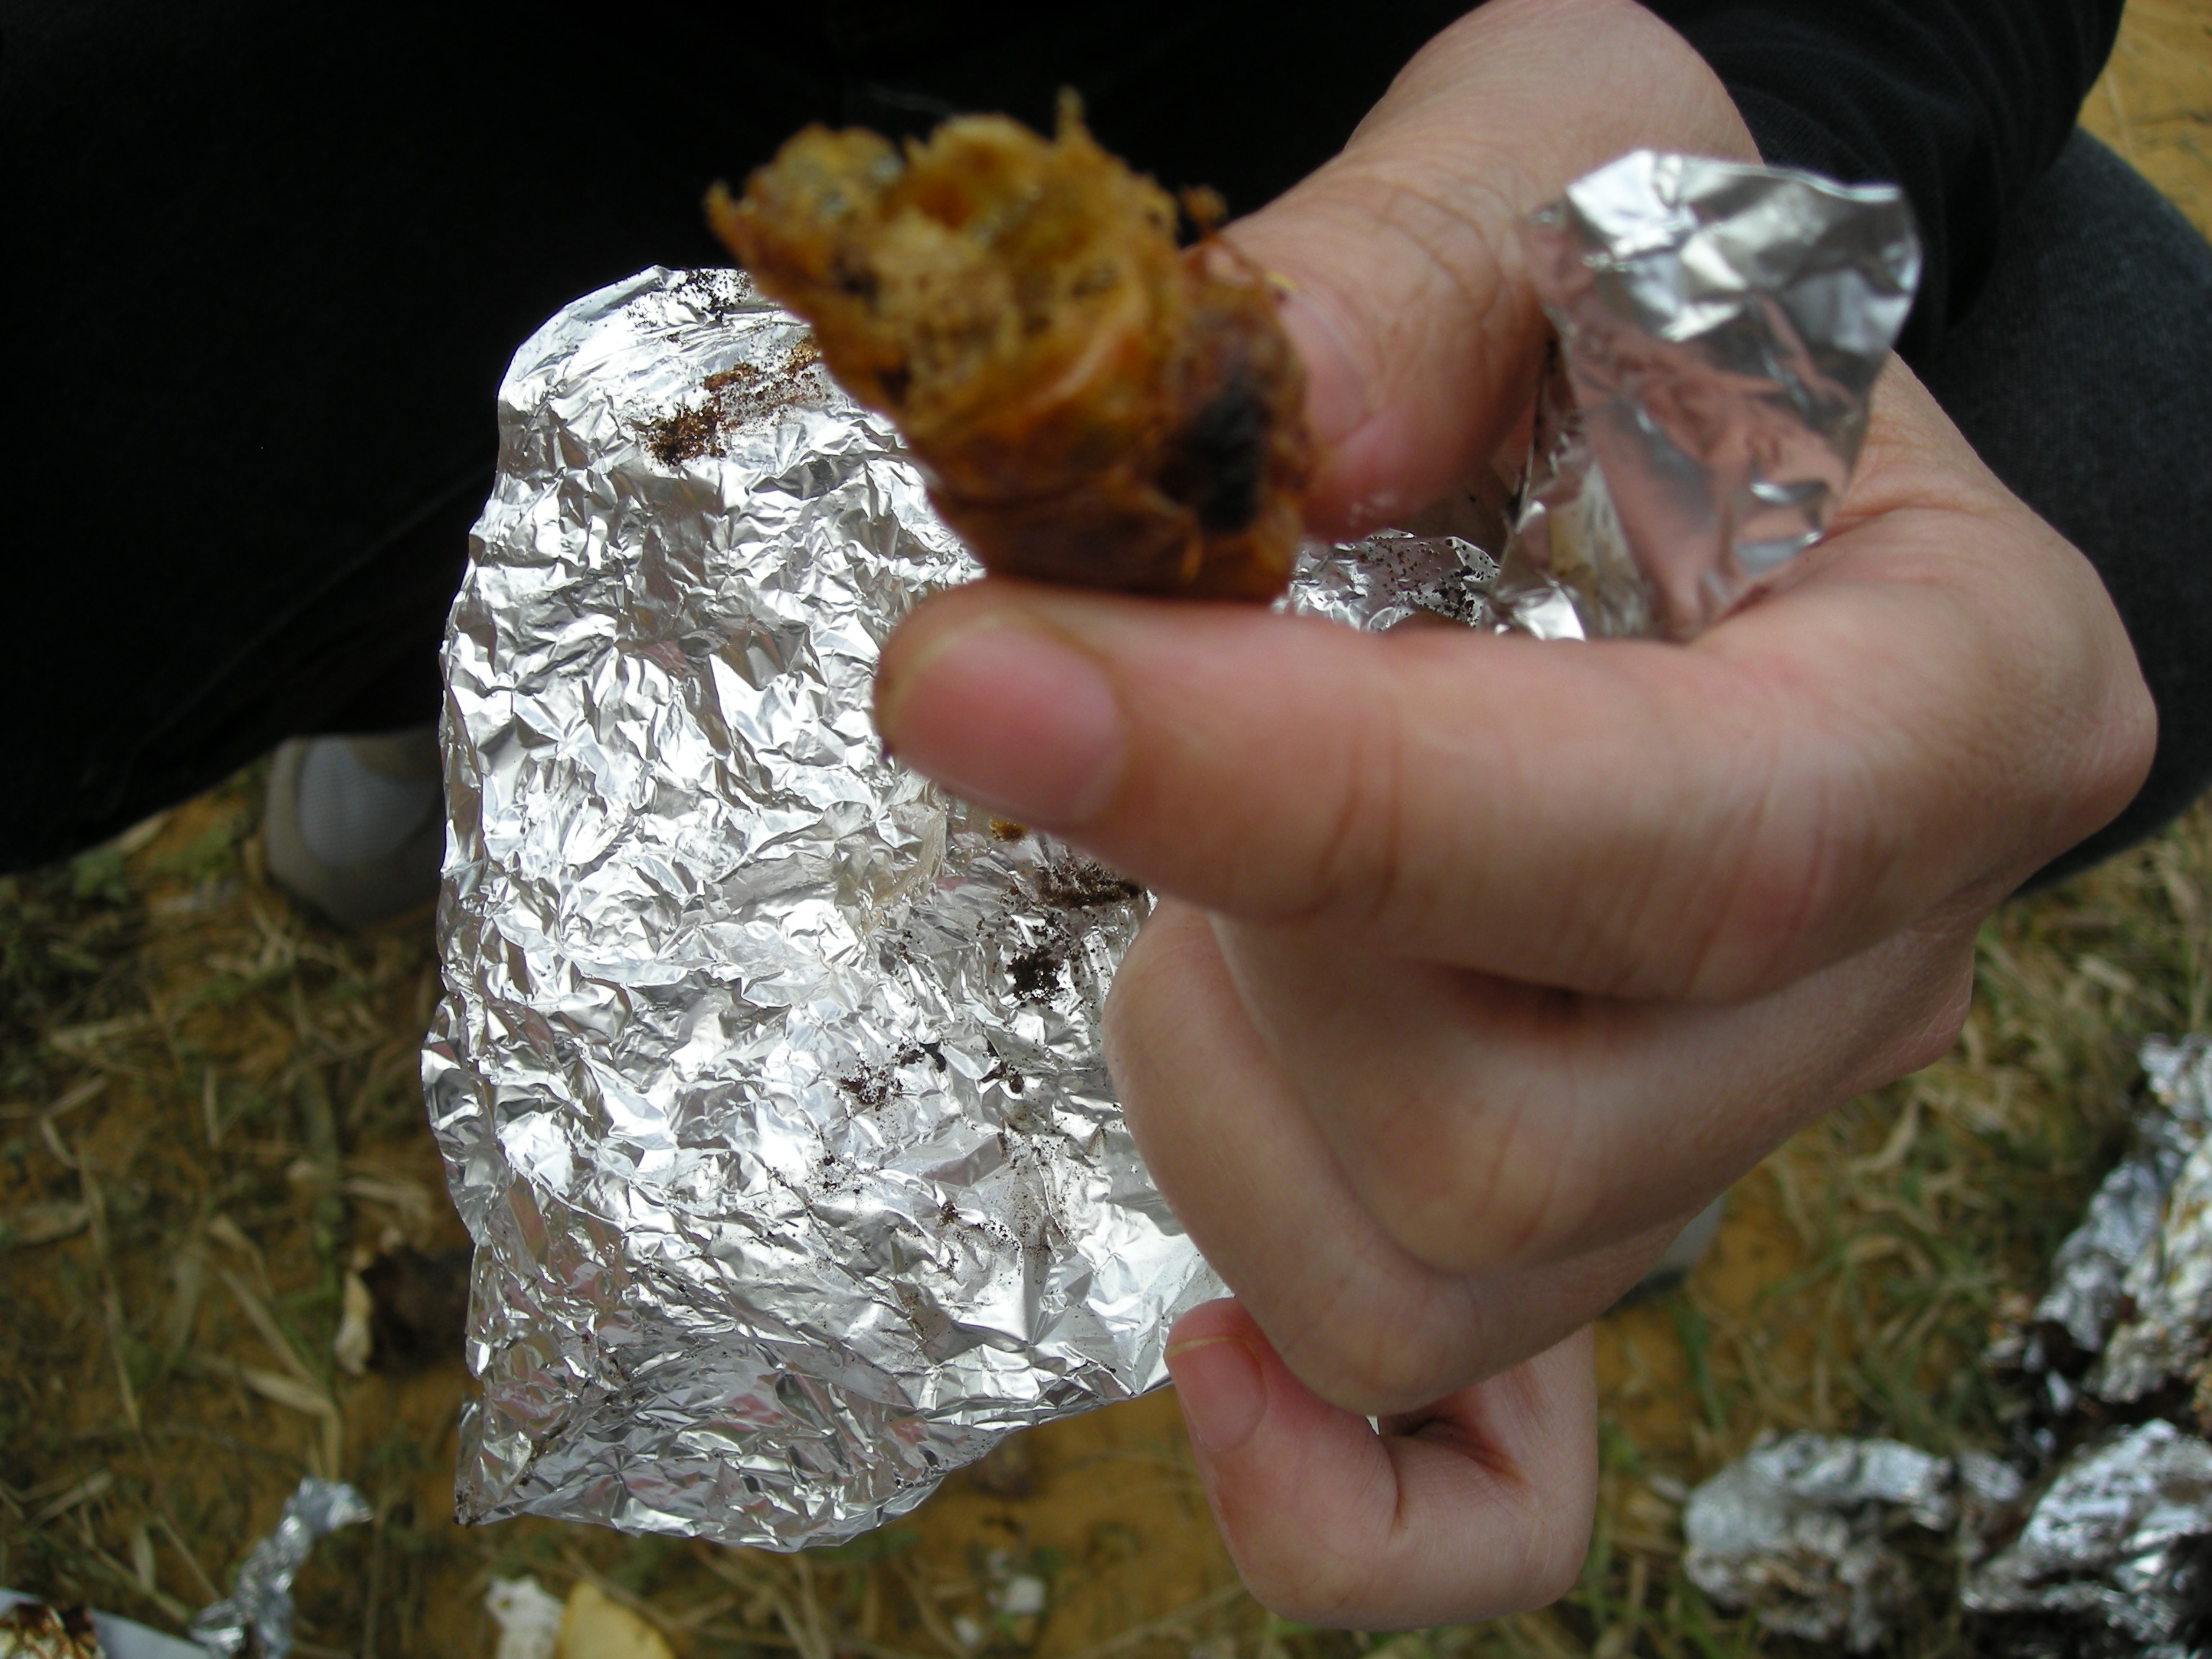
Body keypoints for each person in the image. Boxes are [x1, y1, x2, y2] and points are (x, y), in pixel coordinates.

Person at [6, 0, 2206, 1627]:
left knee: (2150, 433)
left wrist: (1702, 135)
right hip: (457, 94)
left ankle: (1567, 960)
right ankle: (466, 687)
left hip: (1337, 84)